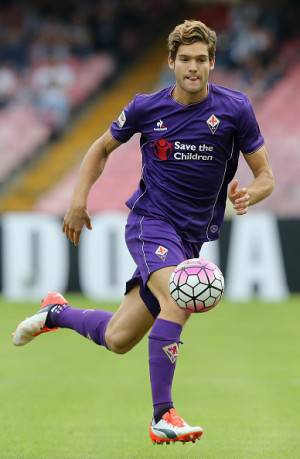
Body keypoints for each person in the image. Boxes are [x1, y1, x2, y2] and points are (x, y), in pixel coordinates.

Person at [13, 19, 275, 444]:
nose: (193, 68)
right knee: (181, 294)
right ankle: (163, 415)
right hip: (150, 224)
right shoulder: (145, 107)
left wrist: (251, 195)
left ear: (213, 63)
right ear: (171, 62)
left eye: (201, 60)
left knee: (118, 338)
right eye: (185, 60)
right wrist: (79, 200)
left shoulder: (235, 109)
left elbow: (266, 176)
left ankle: (55, 312)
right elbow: (100, 148)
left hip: (189, 239)